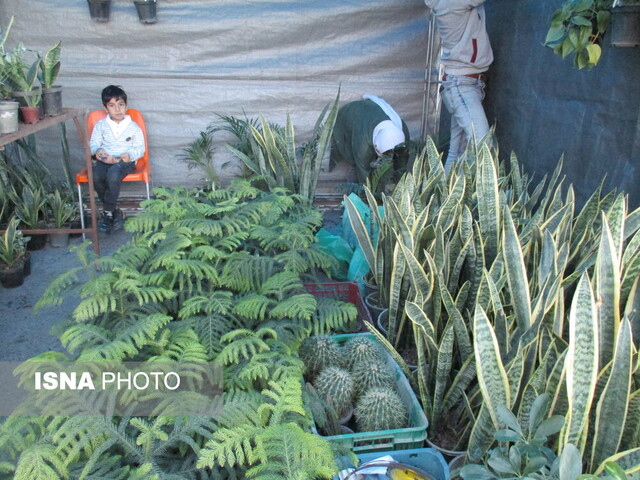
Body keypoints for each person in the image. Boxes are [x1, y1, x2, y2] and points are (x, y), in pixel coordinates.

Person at [425, 0, 493, 173]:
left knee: (456, 152)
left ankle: (445, 197)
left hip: (463, 83)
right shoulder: (452, 2)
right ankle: (465, 195)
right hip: (461, 85)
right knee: (482, 143)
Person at [90, 85, 145, 234]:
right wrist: (98, 151)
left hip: (124, 162)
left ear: (126, 106)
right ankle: (115, 211)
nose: (117, 109)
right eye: (112, 106)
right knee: (95, 174)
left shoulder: (133, 127)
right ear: (106, 108)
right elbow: (94, 144)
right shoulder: (100, 125)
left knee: (113, 173)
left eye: (121, 105)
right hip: (105, 160)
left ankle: (107, 213)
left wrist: (129, 155)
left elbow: (140, 148)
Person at [331, 94, 410, 185]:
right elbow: (363, 169)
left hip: (373, 118)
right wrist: (370, 194)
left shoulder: (403, 134)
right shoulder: (363, 141)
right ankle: (352, 192)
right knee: (356, 169)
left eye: (393, 152)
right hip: (351, 117)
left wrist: (400, 187)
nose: (390, 155)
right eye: (386, 153)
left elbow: (401, 166)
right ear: (376, 146)